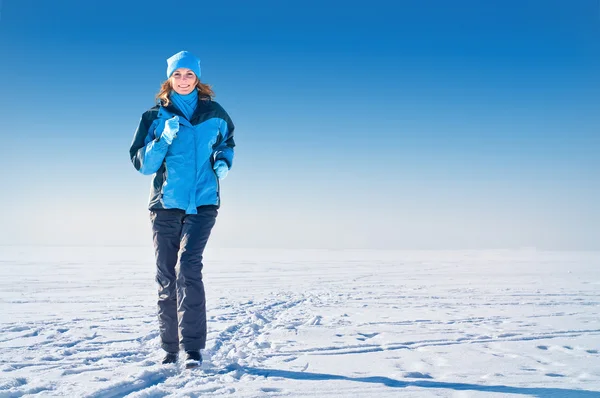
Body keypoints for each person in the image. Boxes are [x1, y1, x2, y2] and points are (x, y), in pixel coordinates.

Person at [129, 50, 235, 368]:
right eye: (178, 74)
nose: (184, 80)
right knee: (166, 274)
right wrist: (163, 139)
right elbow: (143, 164)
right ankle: (170, 348)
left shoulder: (215, 113)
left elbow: (227, 142)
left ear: (197, 78)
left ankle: (192, 349)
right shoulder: (154, 117)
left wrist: (223, 161)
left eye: (189, 74)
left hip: (203, 202)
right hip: (165, 205)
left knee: (188, 268)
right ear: (169, 78)